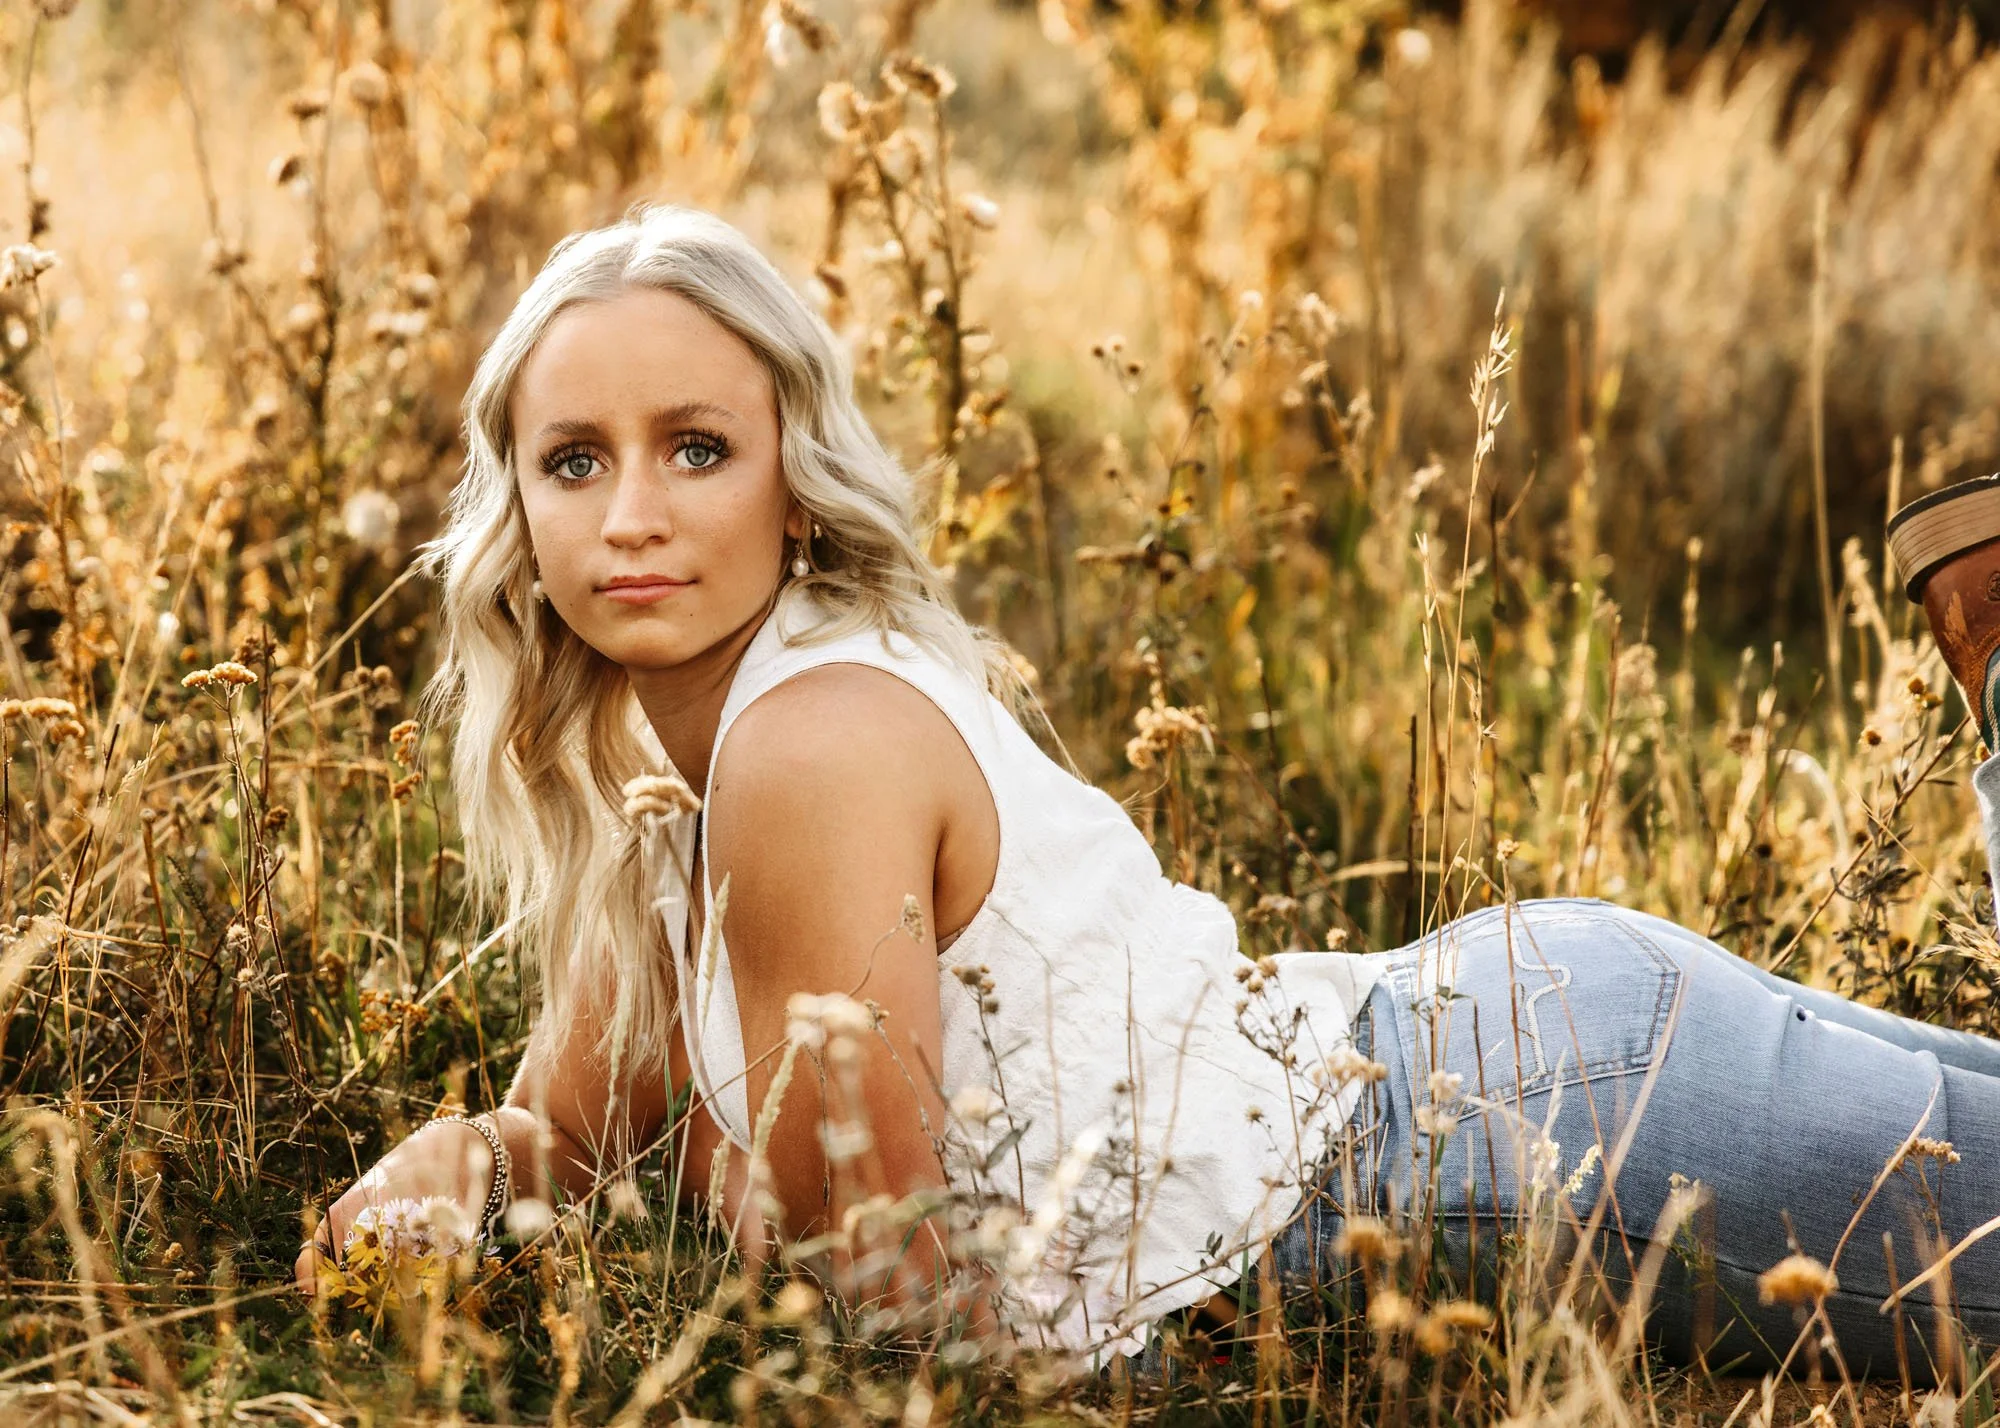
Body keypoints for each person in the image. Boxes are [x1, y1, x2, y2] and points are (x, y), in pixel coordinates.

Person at [293, 201, 2000, 1383]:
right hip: (1499, 1037)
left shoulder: (803, 751)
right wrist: (458, 1165)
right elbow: (582, 1131)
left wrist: (680, 1199)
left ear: (793, 485)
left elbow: (887, 1291)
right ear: (517, 505)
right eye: (573, 461)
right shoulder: (659, 782)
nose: (631, 516)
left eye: (697, 448)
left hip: (1520, 1138)